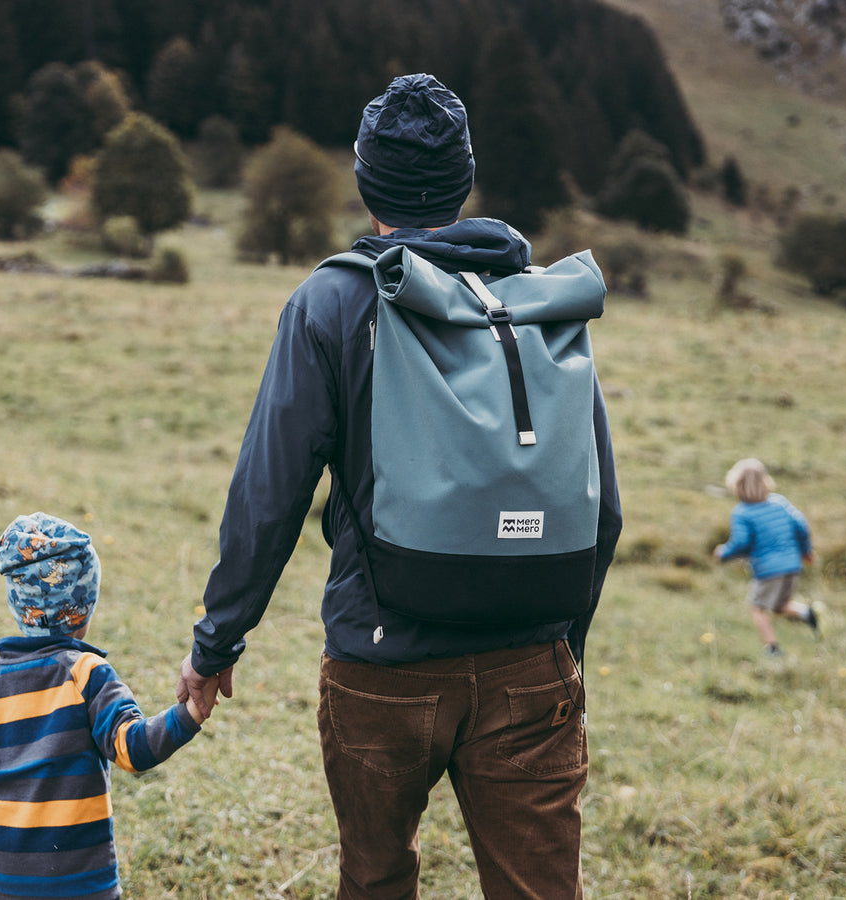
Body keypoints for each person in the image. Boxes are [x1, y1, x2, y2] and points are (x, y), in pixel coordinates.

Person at [176, 73, 622, 900]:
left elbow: (268, 494)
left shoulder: (333, 300)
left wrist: (217, 643)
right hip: (534, 658)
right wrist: (564, 649)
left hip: (382, 664)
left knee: (376, 878)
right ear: (464, 180)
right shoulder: (541, 303)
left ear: (364, 181)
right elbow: (604, 509)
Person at [0, 512, 207, 900]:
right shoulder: (86, 674)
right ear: (83, 609)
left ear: (18, 606)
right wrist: (186, 717)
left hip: (2, 874)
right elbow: (133, 749)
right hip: (77, 878)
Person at [714, 458, 819, 657]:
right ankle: (806, 613)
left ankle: (772, 649)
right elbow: (801, 526)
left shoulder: (742, 512)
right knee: (779, 606)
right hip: (793, 565)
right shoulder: (780, 503)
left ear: (737, 485)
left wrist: (723, 553)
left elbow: (741, 542)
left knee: (758, 608)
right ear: (765, 481)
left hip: (768, 569)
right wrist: (806, 551)